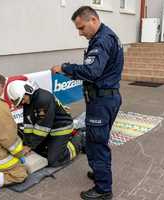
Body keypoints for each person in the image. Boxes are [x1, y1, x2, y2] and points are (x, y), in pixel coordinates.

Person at [51, 6, 123, 200]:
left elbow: (92, 71)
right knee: (96, 139)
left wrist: (64, 68)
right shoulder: (108, 36)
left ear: (93, 20)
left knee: (97, 143)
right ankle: (100, 173)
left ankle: (103, 189)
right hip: (107, 98)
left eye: (81, 28)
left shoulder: (102, 40)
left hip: (102, 100)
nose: (80, 33)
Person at [6, 80, 81, 167]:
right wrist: (26, 144)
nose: (22, 103)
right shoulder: (28, 100)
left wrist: (29, 146)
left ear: (27, 91)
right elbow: (28, 125)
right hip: (48, 128)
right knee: (38, 149)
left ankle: (79, 140)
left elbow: (43, 128)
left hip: (61, 127)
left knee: (54, 160)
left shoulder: (43, 99)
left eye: (22, 100)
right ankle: (56, 144)